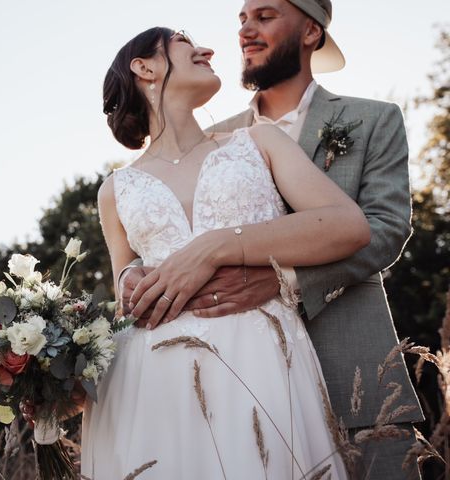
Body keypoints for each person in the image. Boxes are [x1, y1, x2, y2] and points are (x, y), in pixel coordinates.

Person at [119, 1, 425, 478]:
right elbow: (164, 244)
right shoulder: (215, 139)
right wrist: (128, 273)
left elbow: (385, 228)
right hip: (229, 383)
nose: (245, 31)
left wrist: (286, 280)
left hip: (357, 368)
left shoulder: (373, 119)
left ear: (310, 31)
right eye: (241, 19)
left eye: (264, 17)